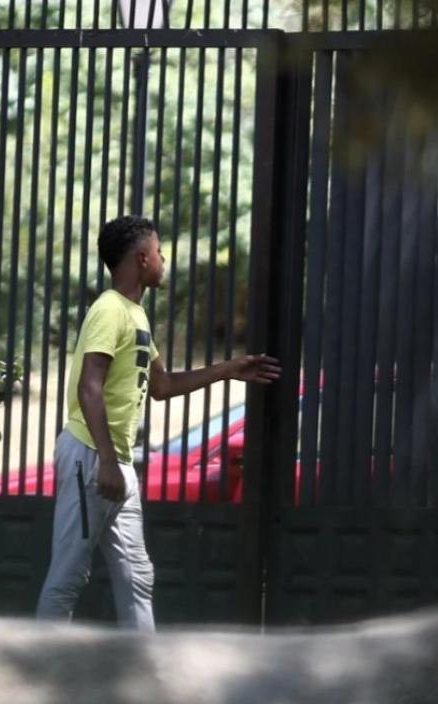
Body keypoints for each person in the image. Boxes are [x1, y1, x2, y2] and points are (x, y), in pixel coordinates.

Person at [34, 215, 280, 629]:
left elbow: (162, 385)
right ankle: (35, 675)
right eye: (160, 252)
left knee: (137, 577)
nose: (164, 259)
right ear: (143, 258)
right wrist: (109, 464)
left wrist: (230, 368)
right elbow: (89, 388)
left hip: (116, 462)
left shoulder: (136, 315)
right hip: (91, 456)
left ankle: (145, 676)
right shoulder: (110, 311)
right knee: (68, 576)